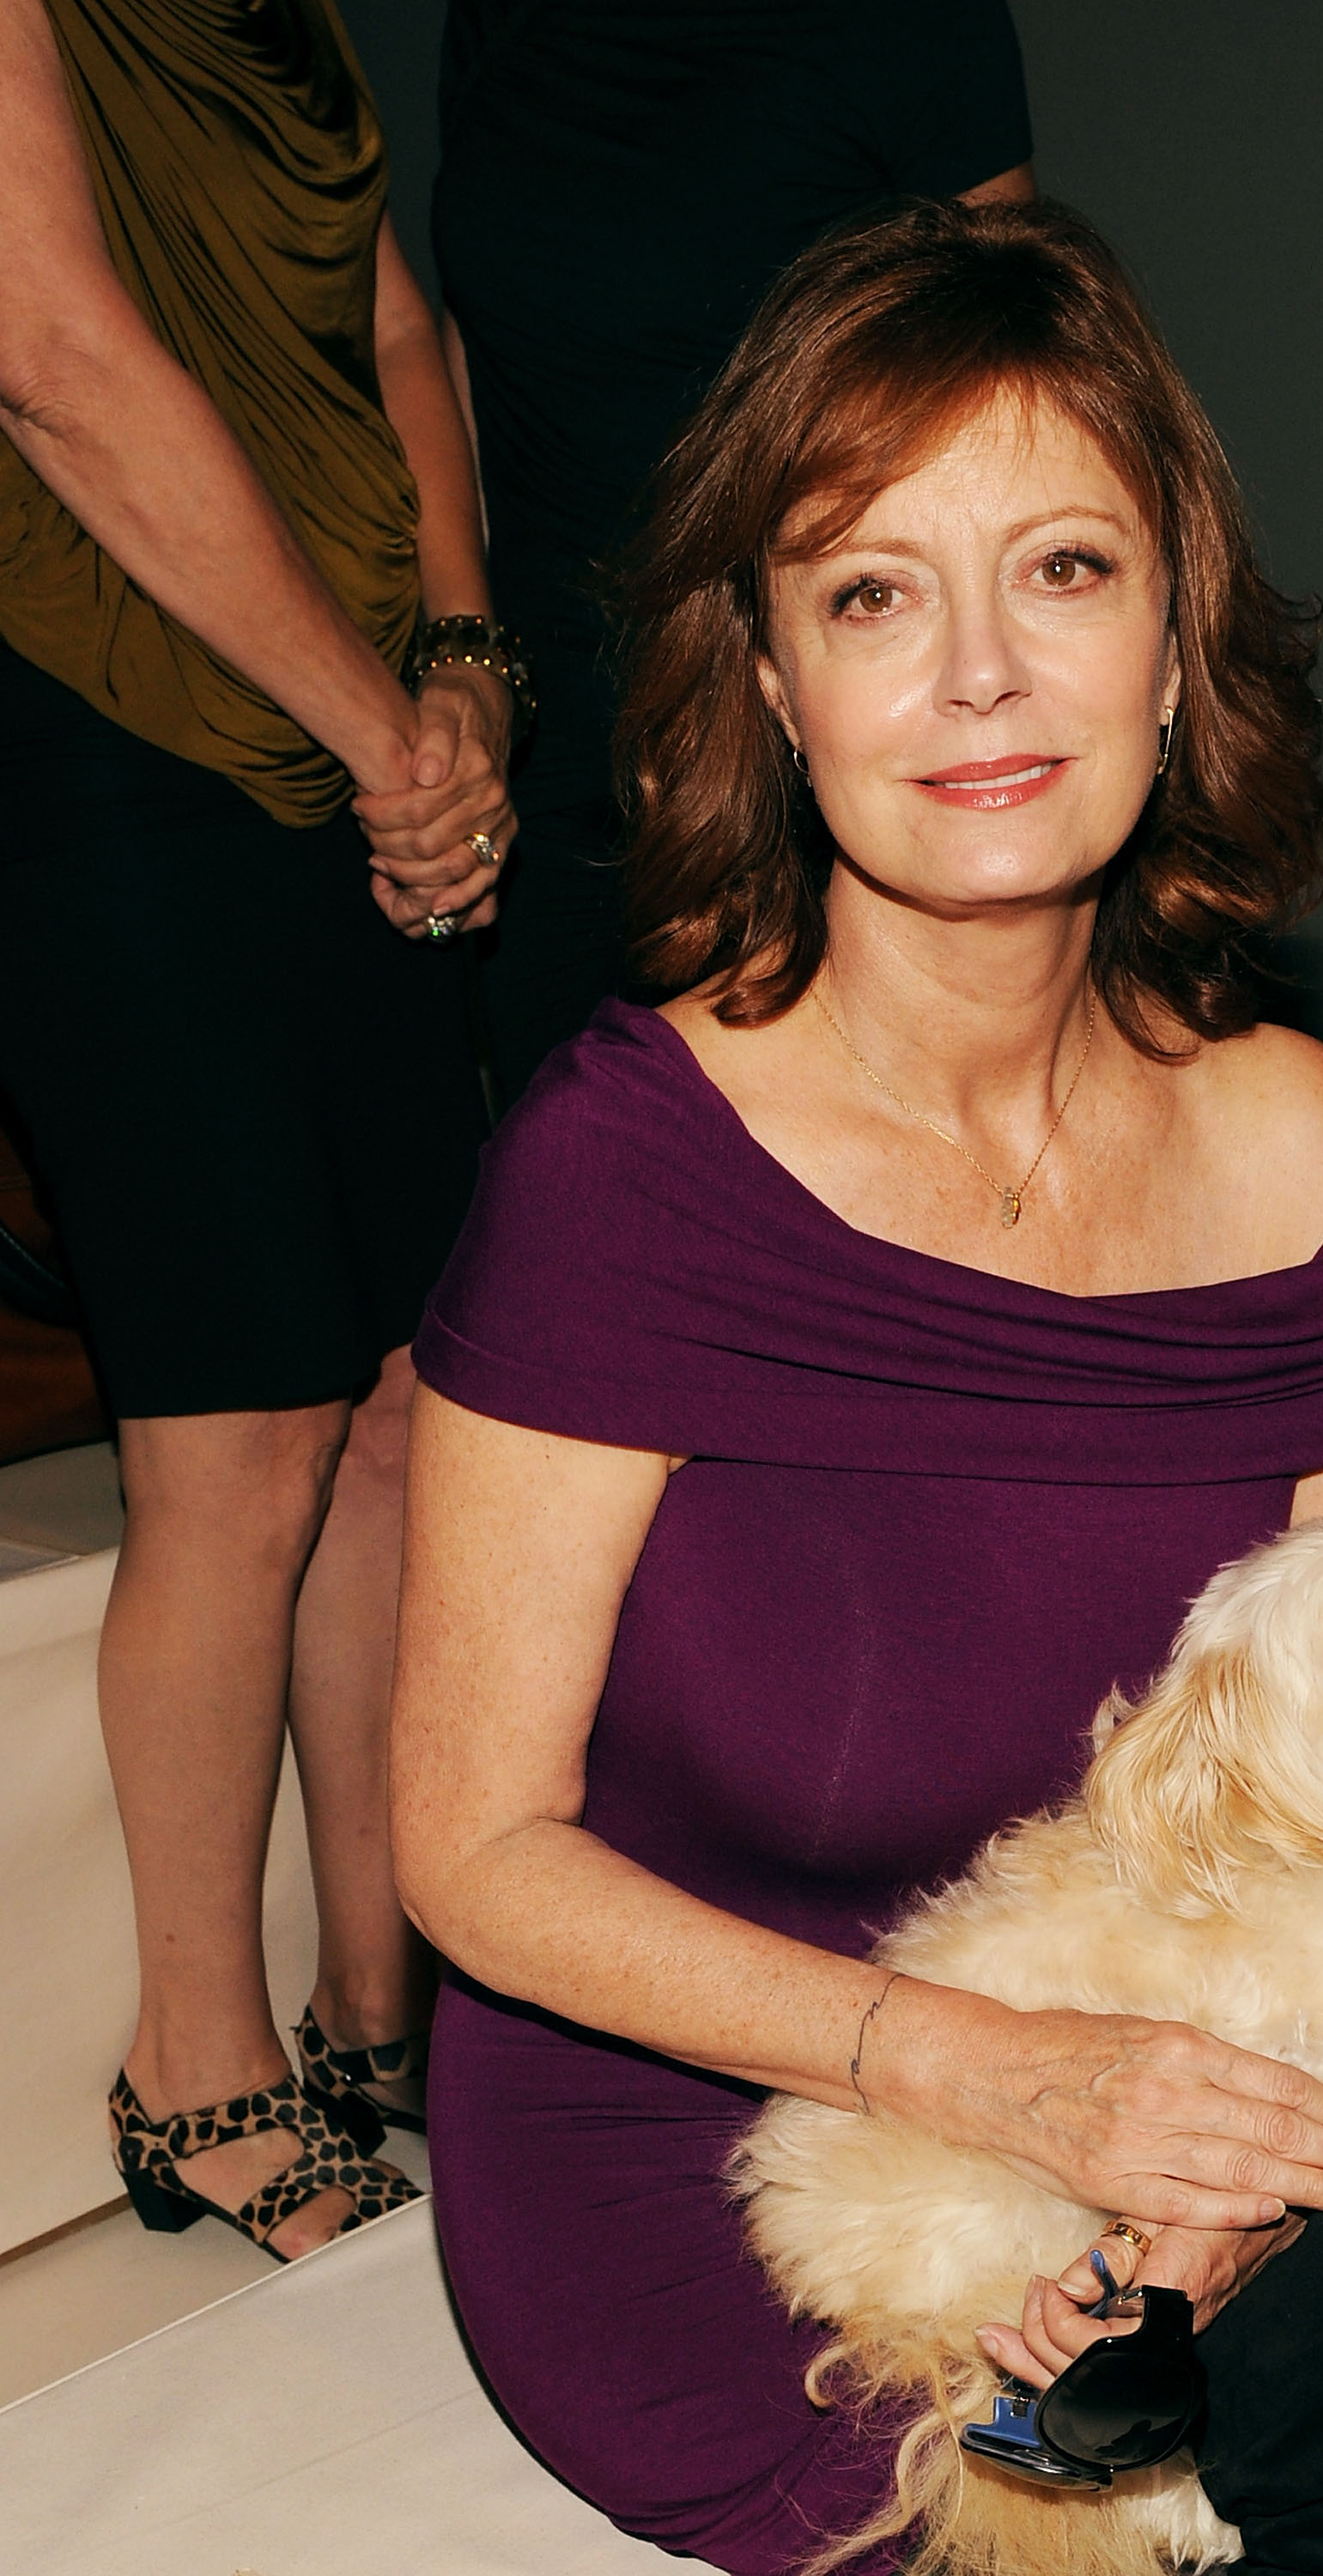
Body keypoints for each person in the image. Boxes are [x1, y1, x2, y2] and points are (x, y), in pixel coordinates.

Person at [393, 200, 1323, 2573]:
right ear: (764, 677)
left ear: (1173, 643)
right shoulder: (622, 1174)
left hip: (1174, 2035)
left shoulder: (1290, 1145)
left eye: (1060, 569)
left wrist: (1214, 2161)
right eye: (869, 590)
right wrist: (994, 2079)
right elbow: (470, 1851)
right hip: (729, 2128)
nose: (976, 675)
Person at [0, 0, 519, 2258]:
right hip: (107, 727)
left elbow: (401, 327)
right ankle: (196, 2070)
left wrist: (470, 665)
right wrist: (384, 728)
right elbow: (51, 350)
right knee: (237, 1430)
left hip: (358, 722)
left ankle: (371, 2006)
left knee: (400, 1400)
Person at [432, 0, 1035, 1109]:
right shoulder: (497, 18)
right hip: (551, 753)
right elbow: (467, 363)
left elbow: (1017, 383)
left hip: (804, 737)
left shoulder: (916, 25)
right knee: (571, 1198)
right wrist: (461, 660)